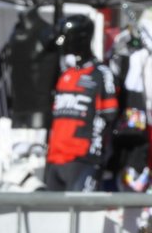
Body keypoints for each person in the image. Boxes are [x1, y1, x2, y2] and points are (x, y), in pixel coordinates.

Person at [43, 13, 117, 191]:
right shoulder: (66, 74)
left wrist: (96, 157)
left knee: (80, 216)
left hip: (83, 159)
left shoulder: (101, 73)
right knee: (48, 216)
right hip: (55, 158)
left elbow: (110, 116)